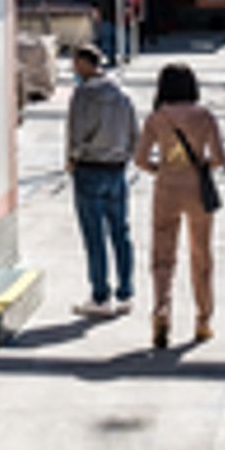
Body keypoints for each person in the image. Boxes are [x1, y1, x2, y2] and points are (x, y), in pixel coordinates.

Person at [134, 62, 225, 347]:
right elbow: (219, 158)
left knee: (162, 256)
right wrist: (201, 167)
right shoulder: (205, 116)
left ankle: (161, 310)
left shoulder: (156, 118)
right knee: (201, 255)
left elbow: (139, 159)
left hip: (166, 189)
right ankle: (203, 319)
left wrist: (160, 170)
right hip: (197, 189)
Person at [65, 44, 137, 317]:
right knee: (121, 232)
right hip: (117, 169)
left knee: (94, 236)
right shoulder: (122, 95)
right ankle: (126, 293)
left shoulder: (83, 96)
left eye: (75, 63)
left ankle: (100, 296)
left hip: (89, 168)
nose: (73, 69)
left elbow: (76, 134)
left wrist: (72, 158)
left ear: (85, 64)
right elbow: (134, 134)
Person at [95, 0, 119, 66]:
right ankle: (110, 58)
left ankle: (111, 58)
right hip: (108, 18)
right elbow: (96, 4)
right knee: (108, 39)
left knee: (110, 39)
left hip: (112, 18)